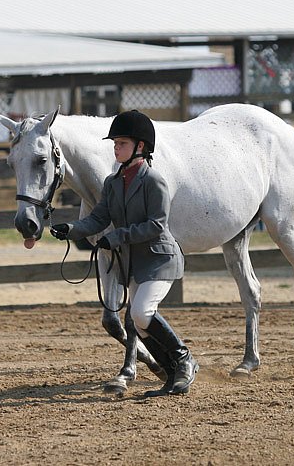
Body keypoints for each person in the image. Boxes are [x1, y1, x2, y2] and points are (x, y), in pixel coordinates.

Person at [49, 110, 197, 396]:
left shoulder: (154, 181)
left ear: (140, 146)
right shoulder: (113, 182)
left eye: (122, 143)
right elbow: (99, 219)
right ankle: (172, 374)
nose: (116, 148)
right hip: (133, 263)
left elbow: (156, 225)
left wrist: (115, 237)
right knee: (140, 324)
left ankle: (184, 359)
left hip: (159, 258)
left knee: (141, 313)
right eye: (115, 143)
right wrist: (71, 229)